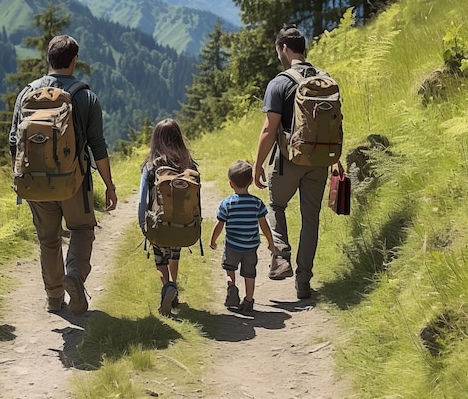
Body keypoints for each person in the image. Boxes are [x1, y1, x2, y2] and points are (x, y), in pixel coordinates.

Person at [9, 34, 117, 314]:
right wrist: (109, 185)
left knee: (48, 239)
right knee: (81, 229)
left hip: (35, 182)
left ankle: (54, 298)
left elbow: (13, 142)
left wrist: (20, 179)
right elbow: (97, 146)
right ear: (74, 61)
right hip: (74, 182)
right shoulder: (85, 97)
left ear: (49, 58)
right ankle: (75, 275)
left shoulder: (26, 94)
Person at [253, 24, 329, 300]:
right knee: (311, 220)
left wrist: (258, 163)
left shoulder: (280, 82)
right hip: (321, 159)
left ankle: (281, 253)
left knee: (275, 205)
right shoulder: (324, 78)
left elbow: (269, 129)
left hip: (290, 159)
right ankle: (304, 284)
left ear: (283, 48)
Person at [137, 118, 198, 316]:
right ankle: (174, 288)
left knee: (160, 259)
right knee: (174, 254)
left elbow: (141, 199)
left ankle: (167, 286)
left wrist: (142, 224)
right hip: (183, 223)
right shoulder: (190, 165)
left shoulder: (150, 166)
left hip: (159, 223)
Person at [209, 160, 275, 315]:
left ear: (231, 184)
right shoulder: (257, 203)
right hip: (251, 247)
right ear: (251, 181)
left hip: (232, 246)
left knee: (229, 268)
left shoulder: (227, 204)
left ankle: (231, 286)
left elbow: (220, 225)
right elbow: (264, 226)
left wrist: (212, 240)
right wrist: (271, 243)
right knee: (249, 273)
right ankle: (248, 300)